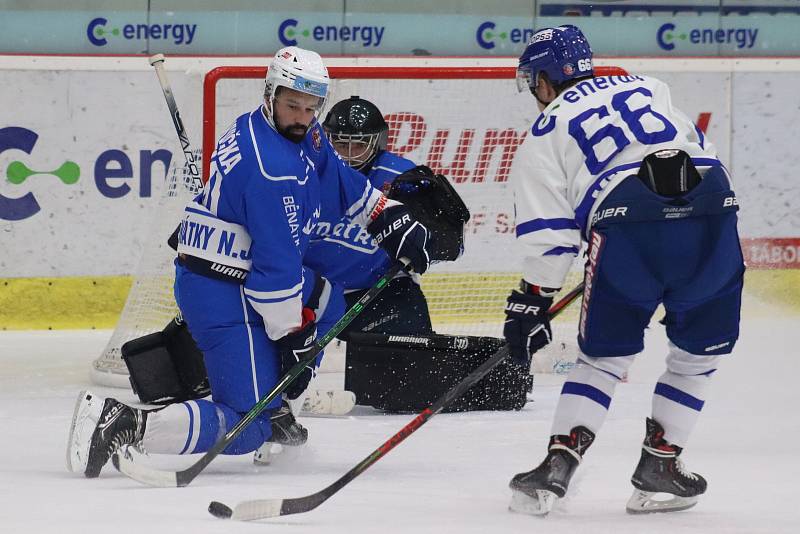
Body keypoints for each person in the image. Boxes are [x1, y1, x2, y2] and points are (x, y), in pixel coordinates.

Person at [66, 46, 432, 478]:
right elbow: (274, 281)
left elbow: (329, 171)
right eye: (293, 105)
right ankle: (128, 424)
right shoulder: (272, 173)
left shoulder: (282, 128)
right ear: (270, 92)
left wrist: (380, 210)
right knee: (247, 427)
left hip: (231, 270)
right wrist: (294, 338)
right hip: (225, 293)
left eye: (311, 107)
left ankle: (274, 406)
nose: (302, 116)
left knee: (330, 299)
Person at [503, 25, 744, 515]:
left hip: (628, 221)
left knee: (603, 359)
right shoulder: (648, 87)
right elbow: (702, 152)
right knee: (698, 357)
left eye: (534, 81)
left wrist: (533, 300)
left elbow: (550, 237)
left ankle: (556, 468)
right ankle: (660, 466)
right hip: (713, 208)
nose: (534, 92)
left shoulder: (546, 131)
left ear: (546, 80)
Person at [309, 95, 434, 339]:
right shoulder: (305, 172)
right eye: (341, 144)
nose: (348, 155)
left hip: (379, 292)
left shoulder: (400, 178)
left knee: (409, 359)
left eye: (358, 145)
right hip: (313, 292)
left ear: (377, 142)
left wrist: (427, 245)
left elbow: (448, 241)